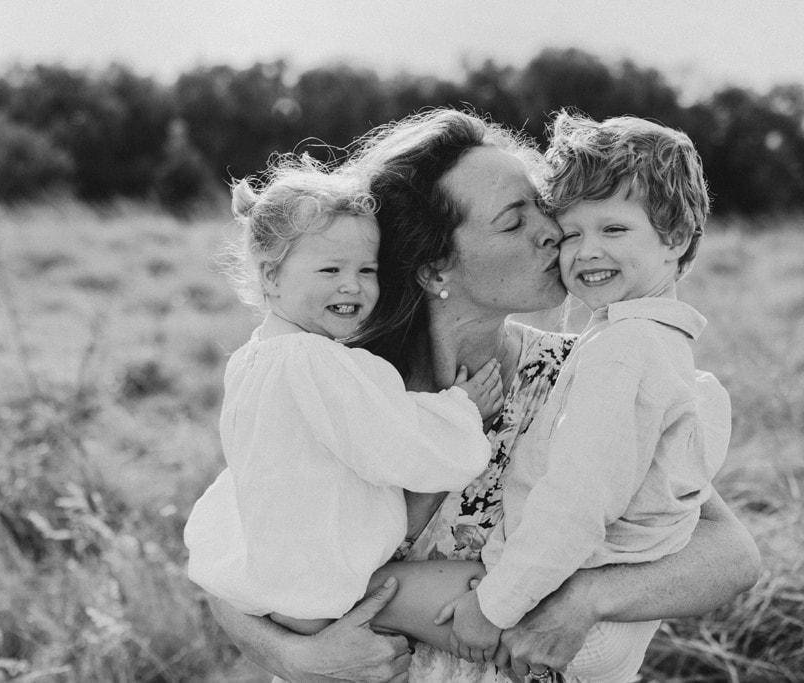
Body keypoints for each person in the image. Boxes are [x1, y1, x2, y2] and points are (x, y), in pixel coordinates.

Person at [204, 109, 761, 683]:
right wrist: (290, 657)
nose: (553, 233)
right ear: (433, 266)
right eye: (513, 222)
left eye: (544, 211)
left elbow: (729, 554)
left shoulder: (580, 374)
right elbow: (238, 546)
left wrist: (585, 599)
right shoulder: (347, 385)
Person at [436, 112, 731, 682]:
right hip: (594, 614)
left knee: (369, 601)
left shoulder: (625, 353)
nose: (585, 251)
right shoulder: (656, 347)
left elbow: (576, 501)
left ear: (675, 238)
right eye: (572, 232)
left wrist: (493, 604)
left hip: (563, 614)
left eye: (614, 230)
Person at [183, 155, 501, 636]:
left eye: (367, 270)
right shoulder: (314, 362)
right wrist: (460, 412)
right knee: (489, 592)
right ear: (270, 276)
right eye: (330, 269)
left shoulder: (254, 359)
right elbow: (394, 442)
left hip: (282, 584)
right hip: (326, 588)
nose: (351, 285)